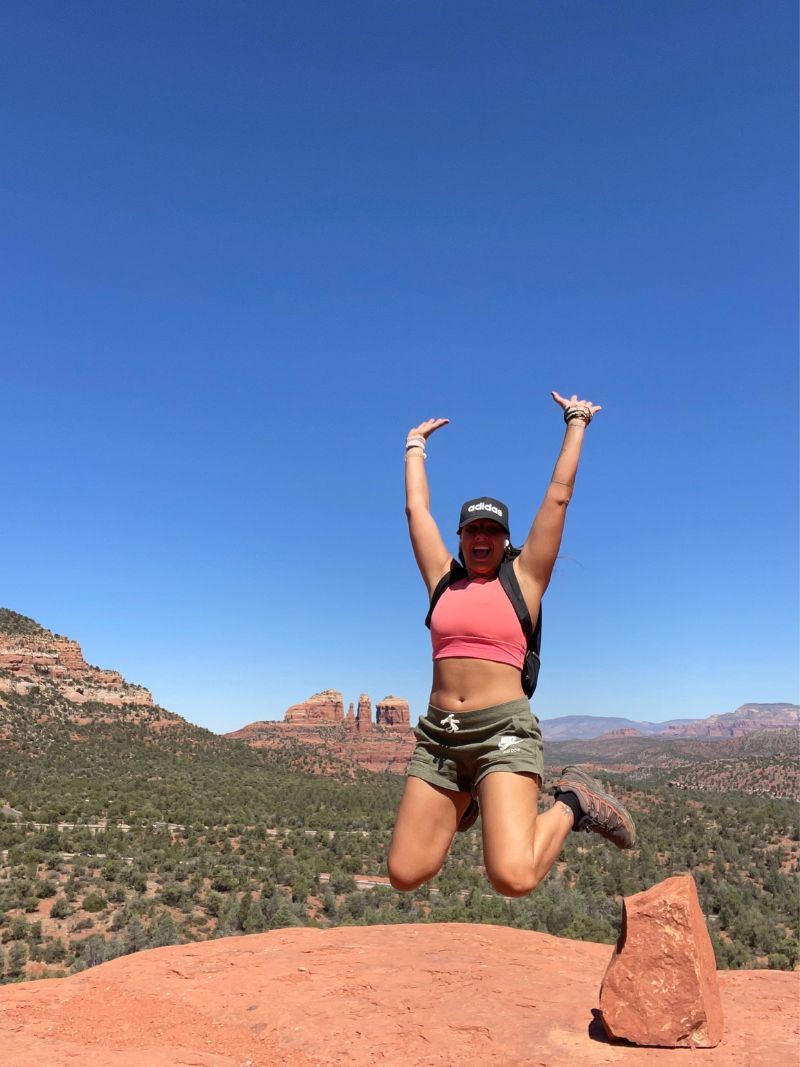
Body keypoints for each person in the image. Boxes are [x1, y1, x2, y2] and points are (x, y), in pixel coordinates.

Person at [387, 391, 636, 899]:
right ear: (460, 537)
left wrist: (577, 422)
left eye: (492, 531)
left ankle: (574, 801)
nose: (482, 537)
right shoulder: (441, 579)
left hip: (503, 730)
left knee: (513, 878)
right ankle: (472, 794)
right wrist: (415, 446)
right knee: (405, 873)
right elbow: (416, 512)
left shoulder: (525, 579)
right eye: (473, 529)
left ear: (505, 540)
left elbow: (559, 495)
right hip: (441, 738)